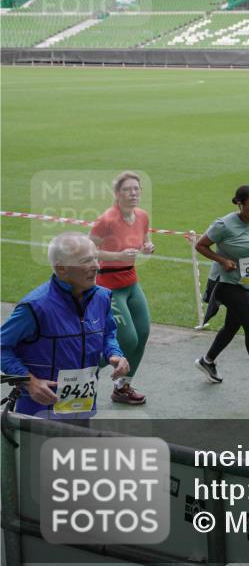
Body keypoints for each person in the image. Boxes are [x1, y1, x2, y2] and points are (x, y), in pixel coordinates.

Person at [0, 232, 129, 418]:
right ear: (62, 269)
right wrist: (29, 382)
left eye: (96, 258)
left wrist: (115, 354)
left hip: (83, 409)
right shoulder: (35, 307)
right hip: (39, 412)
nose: (96, 267)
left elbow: (108, 333)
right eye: (86, 261)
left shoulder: (102, 298)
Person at [194, 185, 249, 396]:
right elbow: (201, 245)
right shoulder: (224, 225)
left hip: (248, 282)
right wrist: (222, 260)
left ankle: (207, 361)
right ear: (240, 204)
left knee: (232, 326)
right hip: (226, 283)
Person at [90, 171, 154, 405]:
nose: (133, 193)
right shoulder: (106, 219)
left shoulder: (142, 216)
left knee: (143, 333)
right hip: (109, 286)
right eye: (128, 189)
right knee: (128, 339)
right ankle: (82, 369)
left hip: (131, 284)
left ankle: (122, 387)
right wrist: (117, 254)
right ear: (118, 194)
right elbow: (89, 250)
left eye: (136, 189)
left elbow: (144, 239)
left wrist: (148, 247)